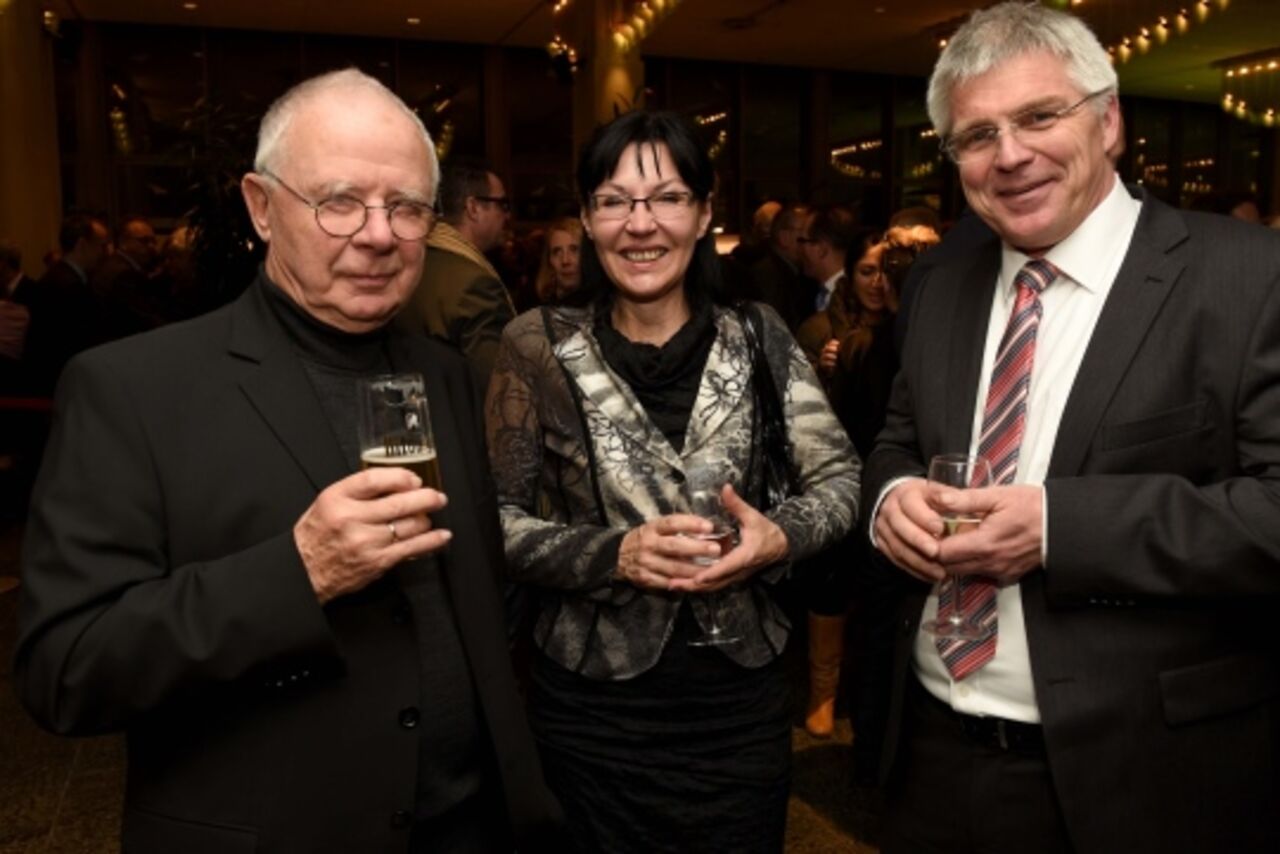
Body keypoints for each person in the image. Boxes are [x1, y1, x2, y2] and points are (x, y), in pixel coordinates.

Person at [15, 68, 562, 853]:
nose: (378, 234)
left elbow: (470, 603)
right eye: (338, 201)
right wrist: (298, 571)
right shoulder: (133, 389)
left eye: (405, 207)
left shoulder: (442, 374)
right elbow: (64, 671)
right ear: (262, 208)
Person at [863, 4, 1280, 853]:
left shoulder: (1251, 277)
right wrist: (892, 497)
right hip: (932, 756)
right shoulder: (941, 280)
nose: (1009, 155)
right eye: (977, 135)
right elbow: (897, 440)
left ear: (1110, 119)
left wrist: (1060, 528)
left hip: (1147, 776)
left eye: (1040, 116)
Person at [485, 110, 861, 853]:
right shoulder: (536, 345)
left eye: (667, 197)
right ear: (589, 220)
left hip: (737, 715)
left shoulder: (757, 333)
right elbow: (493, 519)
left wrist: (778, 535)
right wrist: (612, 555)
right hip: (591, 718)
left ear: (704, 213)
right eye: (614, 200)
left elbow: (841, 476)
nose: (640, 223)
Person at [413, 160, 516, 394]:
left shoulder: (417, 261)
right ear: (473, 208)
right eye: (502, 205)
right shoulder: (474, 284)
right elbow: (497, 388)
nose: (507, 216)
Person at [24, 213, 108, 394]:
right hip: (62, 382)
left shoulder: (58, 278)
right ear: (82, 244)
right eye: (101, 246)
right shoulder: (68, 286)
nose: (104, 252)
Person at [533, 216, 582, 304]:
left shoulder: (608, 309)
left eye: (574, 250)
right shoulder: (537, 313)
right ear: (549, 260)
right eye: (557, 252)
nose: (565, 261)